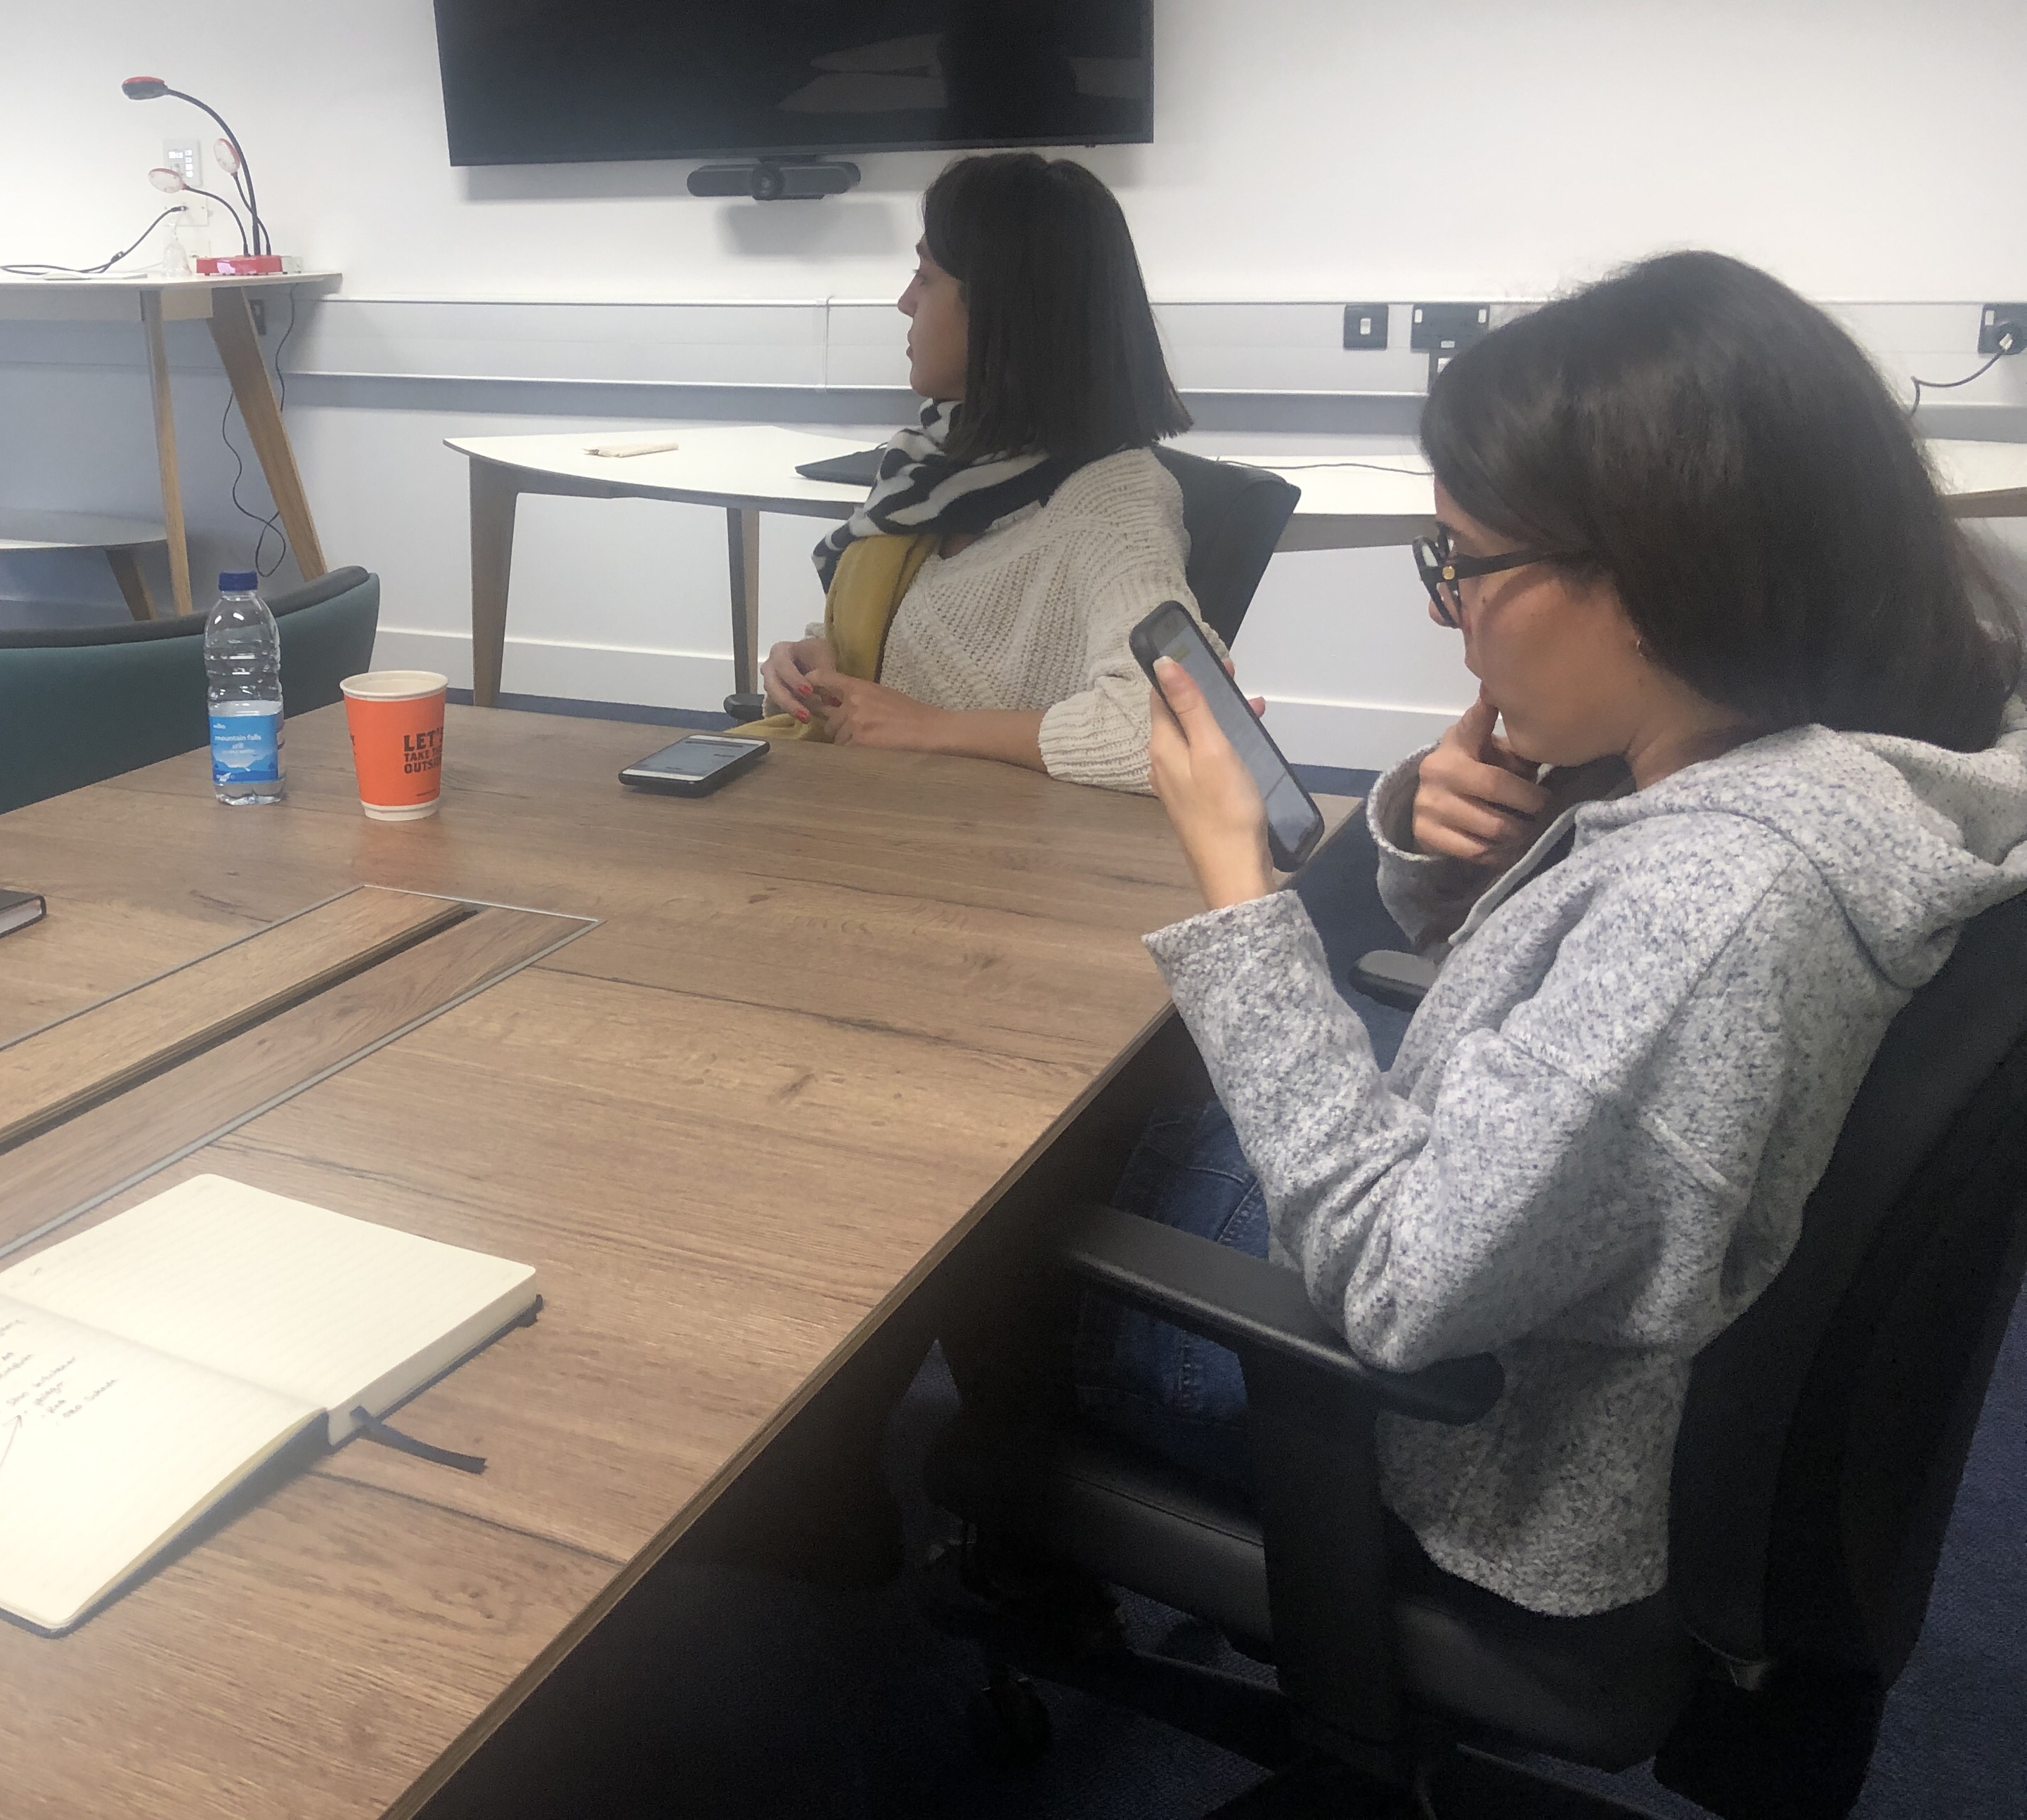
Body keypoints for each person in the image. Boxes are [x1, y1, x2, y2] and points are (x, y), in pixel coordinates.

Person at [1111, 249, 2027, 1616]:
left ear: (1653, 577)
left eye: (1463, 563)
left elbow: (1396, 1289)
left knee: (1005, 1206)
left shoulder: (1711, 904)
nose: (1451, 616)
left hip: (1453, 1447)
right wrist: (1468, 832)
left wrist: (1237, 887)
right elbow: (1551, 1007)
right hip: (1517, 1260)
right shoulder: (1842, 754)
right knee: (1143, 1119)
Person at [753, 151, 1200, 791]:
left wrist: (932, 728)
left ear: (999, 309)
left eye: (925, 277)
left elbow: (1170, 730)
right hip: (873, 801)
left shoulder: (1112, 503)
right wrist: (817, 664)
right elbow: (897, 658)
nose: (905, 302)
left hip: (980, 834)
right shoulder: (936, 470)